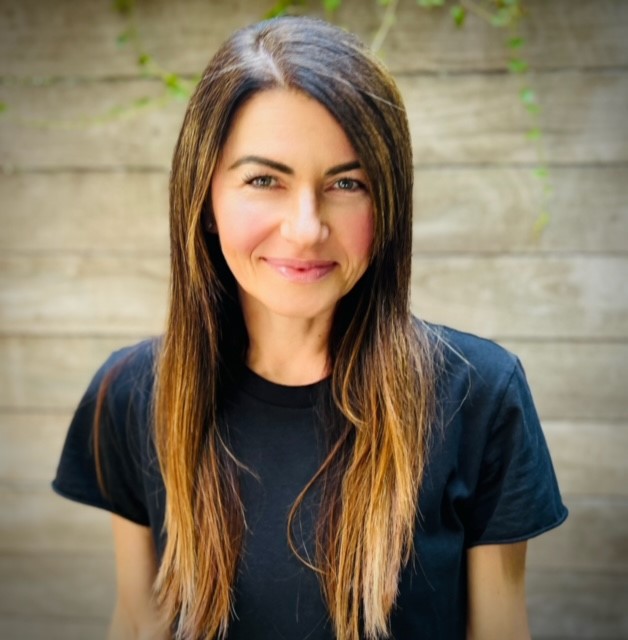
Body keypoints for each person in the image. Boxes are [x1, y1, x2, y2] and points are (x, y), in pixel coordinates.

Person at [52, 16, 568, 640]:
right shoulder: (134, 393)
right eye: (264, 180)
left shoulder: (479, 395)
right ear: (206, 199)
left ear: (388, 204)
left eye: (347, 183)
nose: (306, 228)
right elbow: (139, 620)